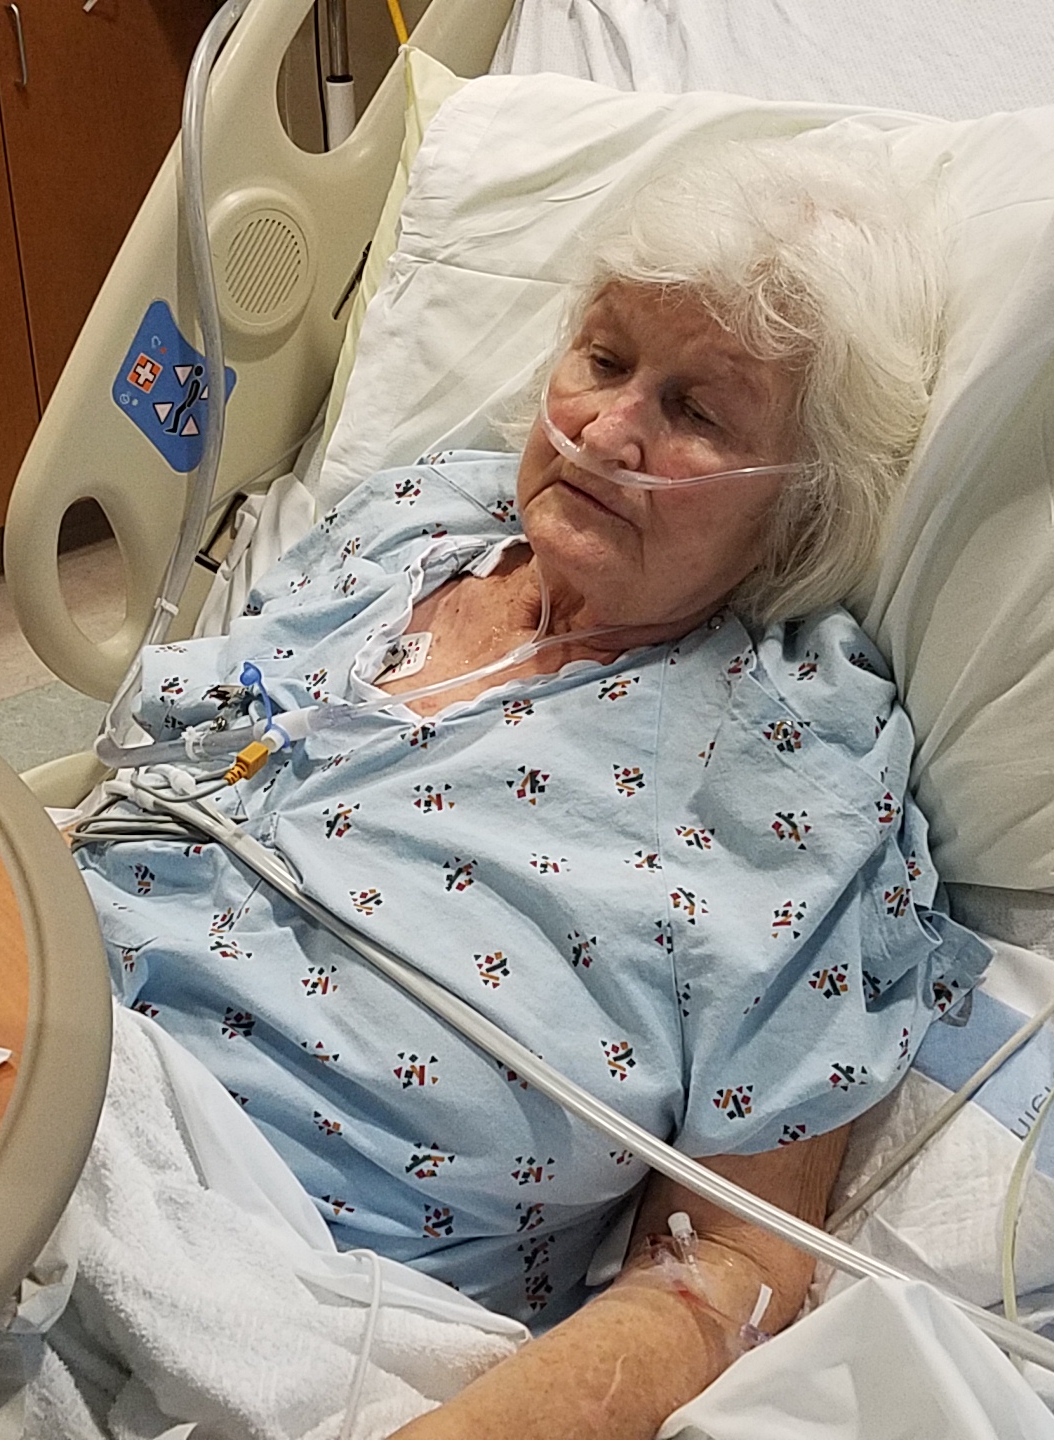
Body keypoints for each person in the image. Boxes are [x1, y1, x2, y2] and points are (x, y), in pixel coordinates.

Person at [60, 131, 984, 1439]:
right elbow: (144, 774)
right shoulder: (414, 520)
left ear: (801, 503)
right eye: (604, 360)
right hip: (15, 1034)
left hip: (264, 1281)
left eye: (697, 412)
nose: (605, 429)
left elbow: (737, 1260)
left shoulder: (796, 769)